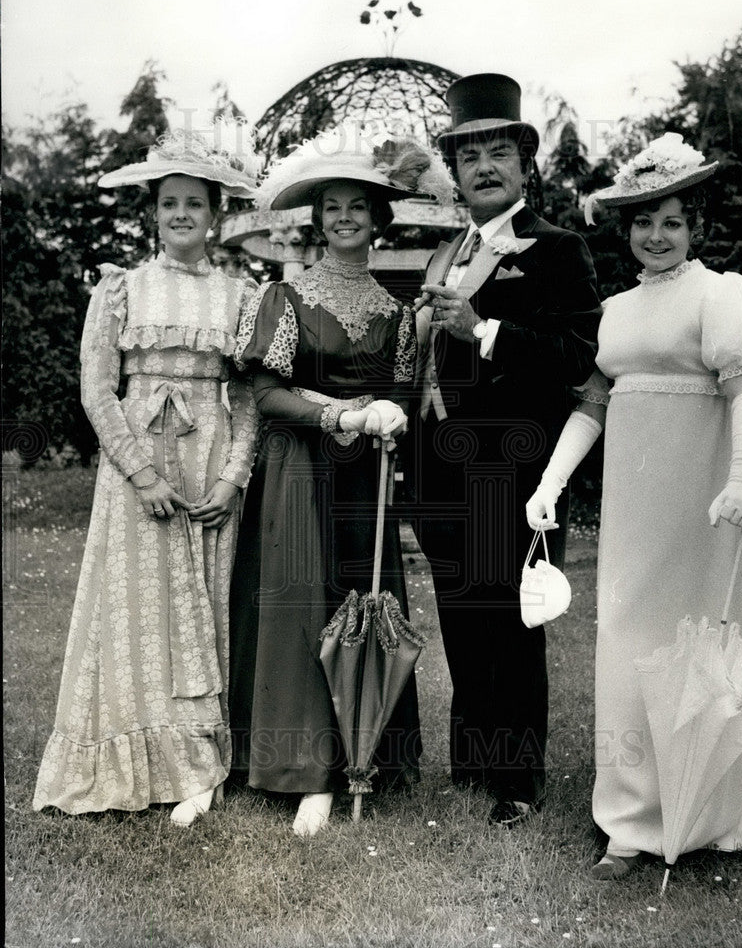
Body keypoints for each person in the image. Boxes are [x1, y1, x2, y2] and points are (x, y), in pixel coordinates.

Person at [526, 132, 742, 877]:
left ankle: (705, 810)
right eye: (643, 222)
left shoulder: (722, 296)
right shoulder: (614, 312)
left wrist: (741, 481)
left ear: (694, 226)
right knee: (626, 641)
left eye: (672, 222)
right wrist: (550, 483)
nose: (657, 236)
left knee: (696, 643)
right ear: (627, 230)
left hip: (702, 504)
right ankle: (630, 820)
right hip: (634, 508)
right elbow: (592, 407)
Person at [229, 126, 454, 837]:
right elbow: (266, 394)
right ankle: (305, 769)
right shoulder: (285, 296)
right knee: (303, 607)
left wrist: (391, 417)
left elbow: (406, 396)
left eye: (358, 206)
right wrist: (342, 415)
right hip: (298, 472)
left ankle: (366, 753)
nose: (345, 218)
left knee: (364, 606)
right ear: (317, 220)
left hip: (366, 483)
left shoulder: (397, 311)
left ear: (378, 218)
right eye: (332, 208)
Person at [33, 126, 261, 826]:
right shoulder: (120, 289)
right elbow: (96, 390)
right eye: (169, 203)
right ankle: (131, 761)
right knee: (133, 612)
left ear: (216, 214)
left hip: (207, 464)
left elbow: (248, 397)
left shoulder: (241, 296)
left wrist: (233, 477)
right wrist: (140, 473)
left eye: (195, 203)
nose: (182, 214)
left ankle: (199, 766)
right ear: (154, 214)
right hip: (136, 469)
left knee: (202, 607)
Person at [413, 74, 601, 826]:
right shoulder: (447, 252)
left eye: (499, 153)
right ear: (455, 173)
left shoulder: (557, 249)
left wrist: (484, 331)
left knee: (512, 616)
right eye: (469, 157)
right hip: (441, 466)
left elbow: (578, 353)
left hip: (519, 466)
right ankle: (473, 760)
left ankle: (517, 780)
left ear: (526, 165)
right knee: (462, 612)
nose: (484, 168)